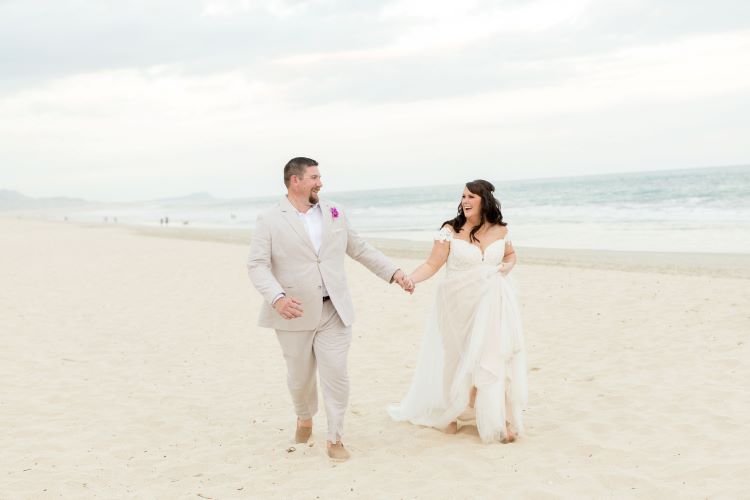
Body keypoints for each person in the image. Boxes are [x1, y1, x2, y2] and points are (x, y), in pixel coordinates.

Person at [248, 157, 412, 461]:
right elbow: (257, 265)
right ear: (295, 181)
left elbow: (360, 248)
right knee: (299, 379)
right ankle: (305, 416)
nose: (320, 183)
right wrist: (278, 298)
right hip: (293, 311)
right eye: (314, 177)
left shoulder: (334, 212)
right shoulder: (269, 219)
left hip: (334, 310)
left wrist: (394, 273)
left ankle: (335, 436)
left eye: (319, 177)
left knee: (336, 374)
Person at [388, 179, 527, 443]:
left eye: (471, 196)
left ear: (485, 200)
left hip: (491, 303)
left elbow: (511, 257)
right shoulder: (450, 231)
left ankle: (497, 418)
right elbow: (432, 264)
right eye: (463, 196)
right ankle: (452, 412)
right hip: (456, 303)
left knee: (491, 356)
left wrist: (505, 270)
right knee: (456, 355)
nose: (465, 201)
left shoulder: (501, 230)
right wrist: (411, 279)